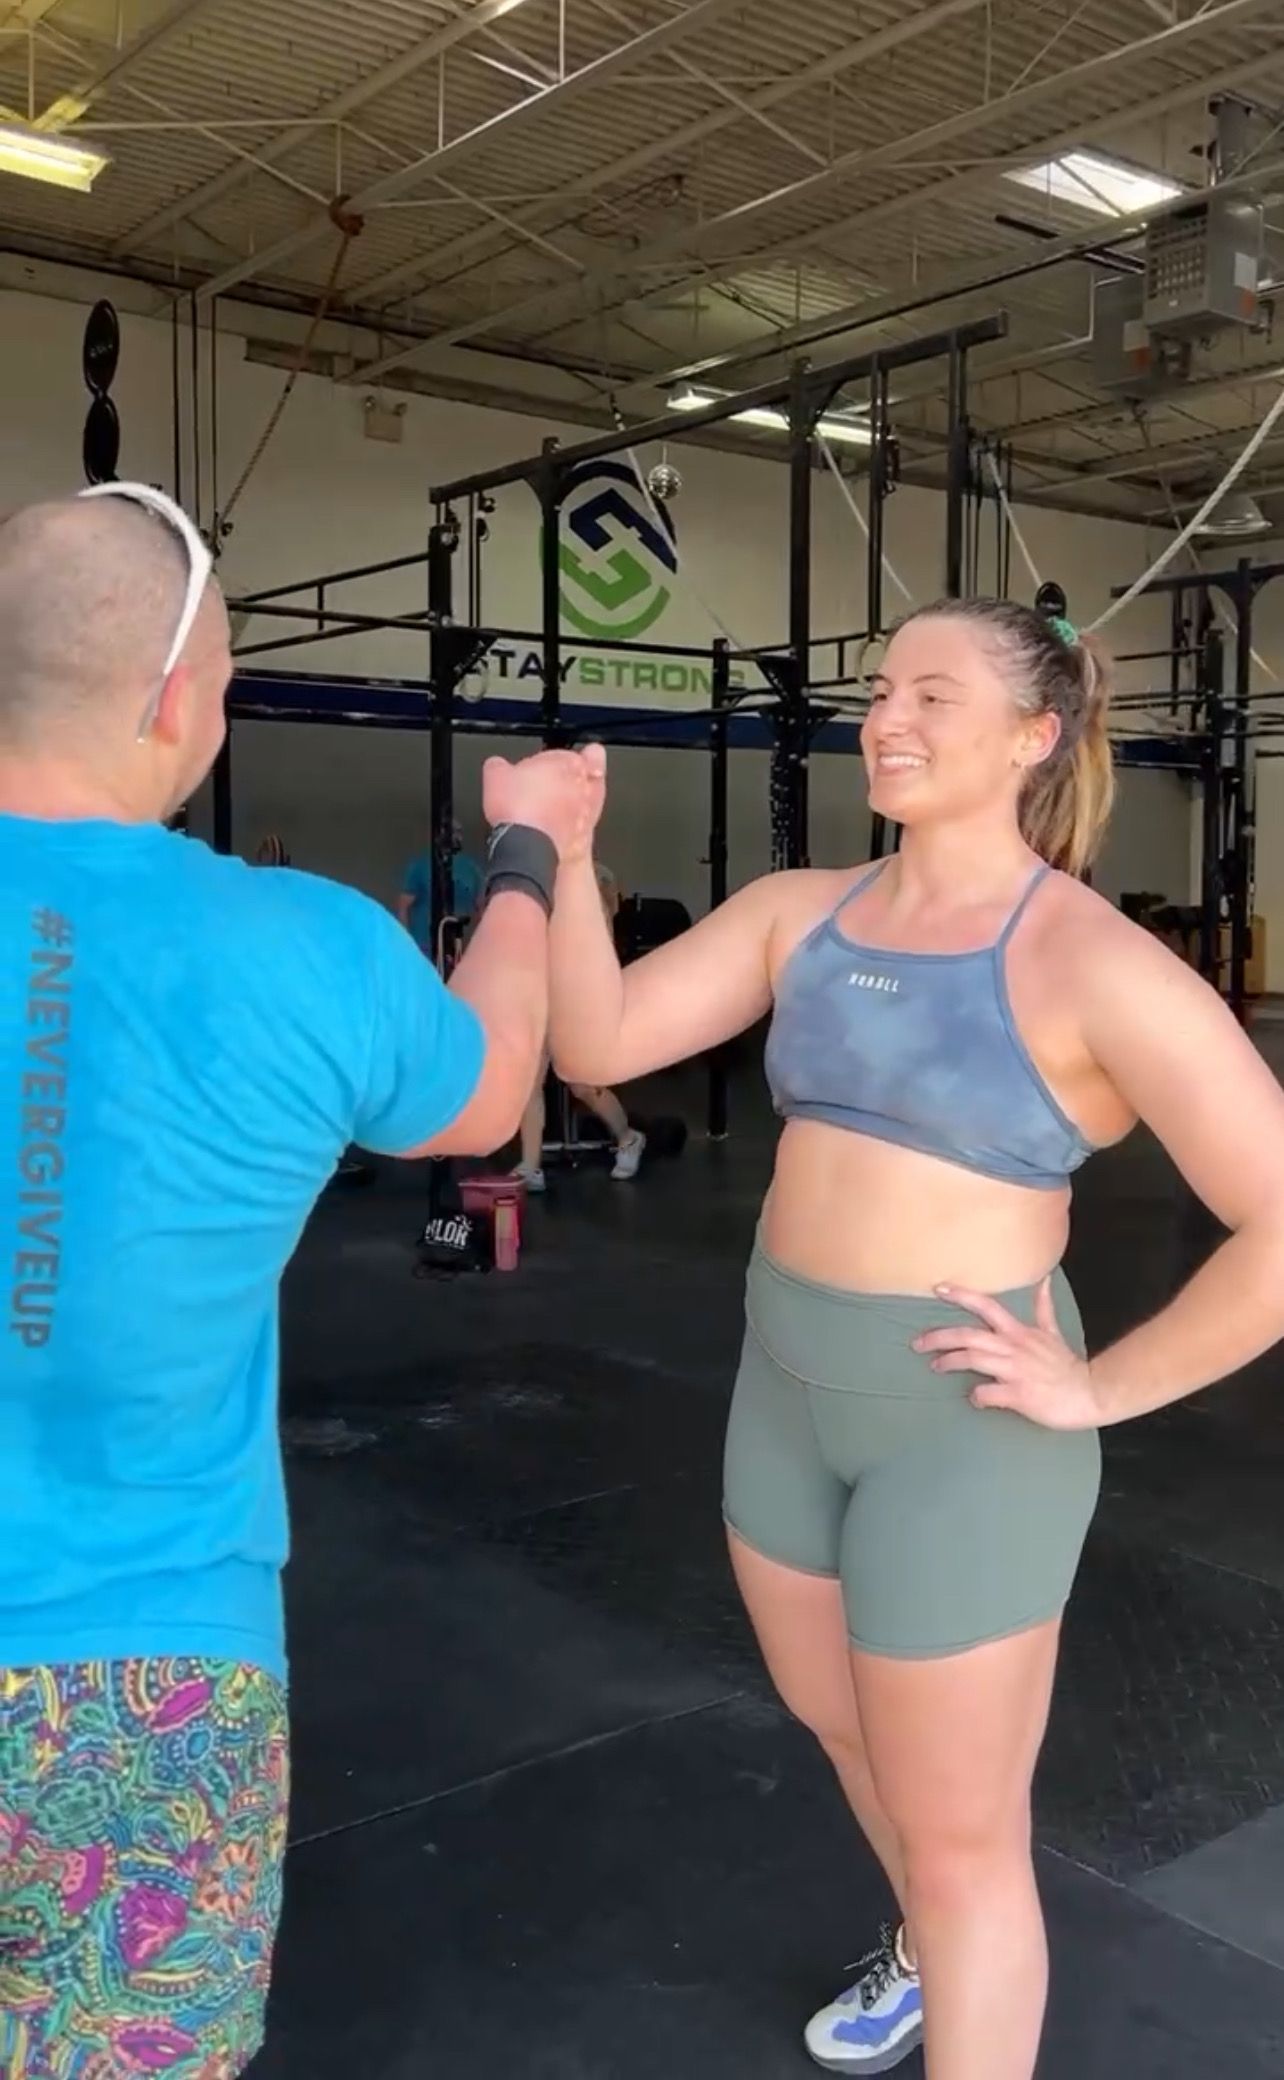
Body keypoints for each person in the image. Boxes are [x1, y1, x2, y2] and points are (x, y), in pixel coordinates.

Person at [545, 596, 1284, 2080]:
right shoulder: (800, 912)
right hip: (784, 1391)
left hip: (962, 1432)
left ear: (1032, 736)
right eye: (882, 690)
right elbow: (599, 1042)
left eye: (933, 696)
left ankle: (951, 1951)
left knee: (965, 1842)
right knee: (847, 1738)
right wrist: (564, 858)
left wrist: (1099, 1388)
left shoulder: (1092, 961)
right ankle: (925, 1952)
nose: (886, 718)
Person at [0, 483, 600, 2079]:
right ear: (174, 702)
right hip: (144, 1681)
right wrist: (532, 851)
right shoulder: (305, 945)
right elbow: (492, 1088)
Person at [513, 859, 644, 1192]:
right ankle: (530, 1165)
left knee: (581, 1083)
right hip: (541, 986)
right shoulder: (535, 875)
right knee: (530, 1081)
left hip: (579, 990)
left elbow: (603, 934)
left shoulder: (598, 876)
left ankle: (628, 1138)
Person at [398, 819, 483, 951]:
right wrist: (406, 943)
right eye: (451, 832)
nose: (456, 836)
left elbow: (481, 907)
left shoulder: (472, 868)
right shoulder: (421, 866)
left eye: (459, 832)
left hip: (460, 946)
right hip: (425, 945)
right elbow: (404, 905)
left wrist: (479, 944)